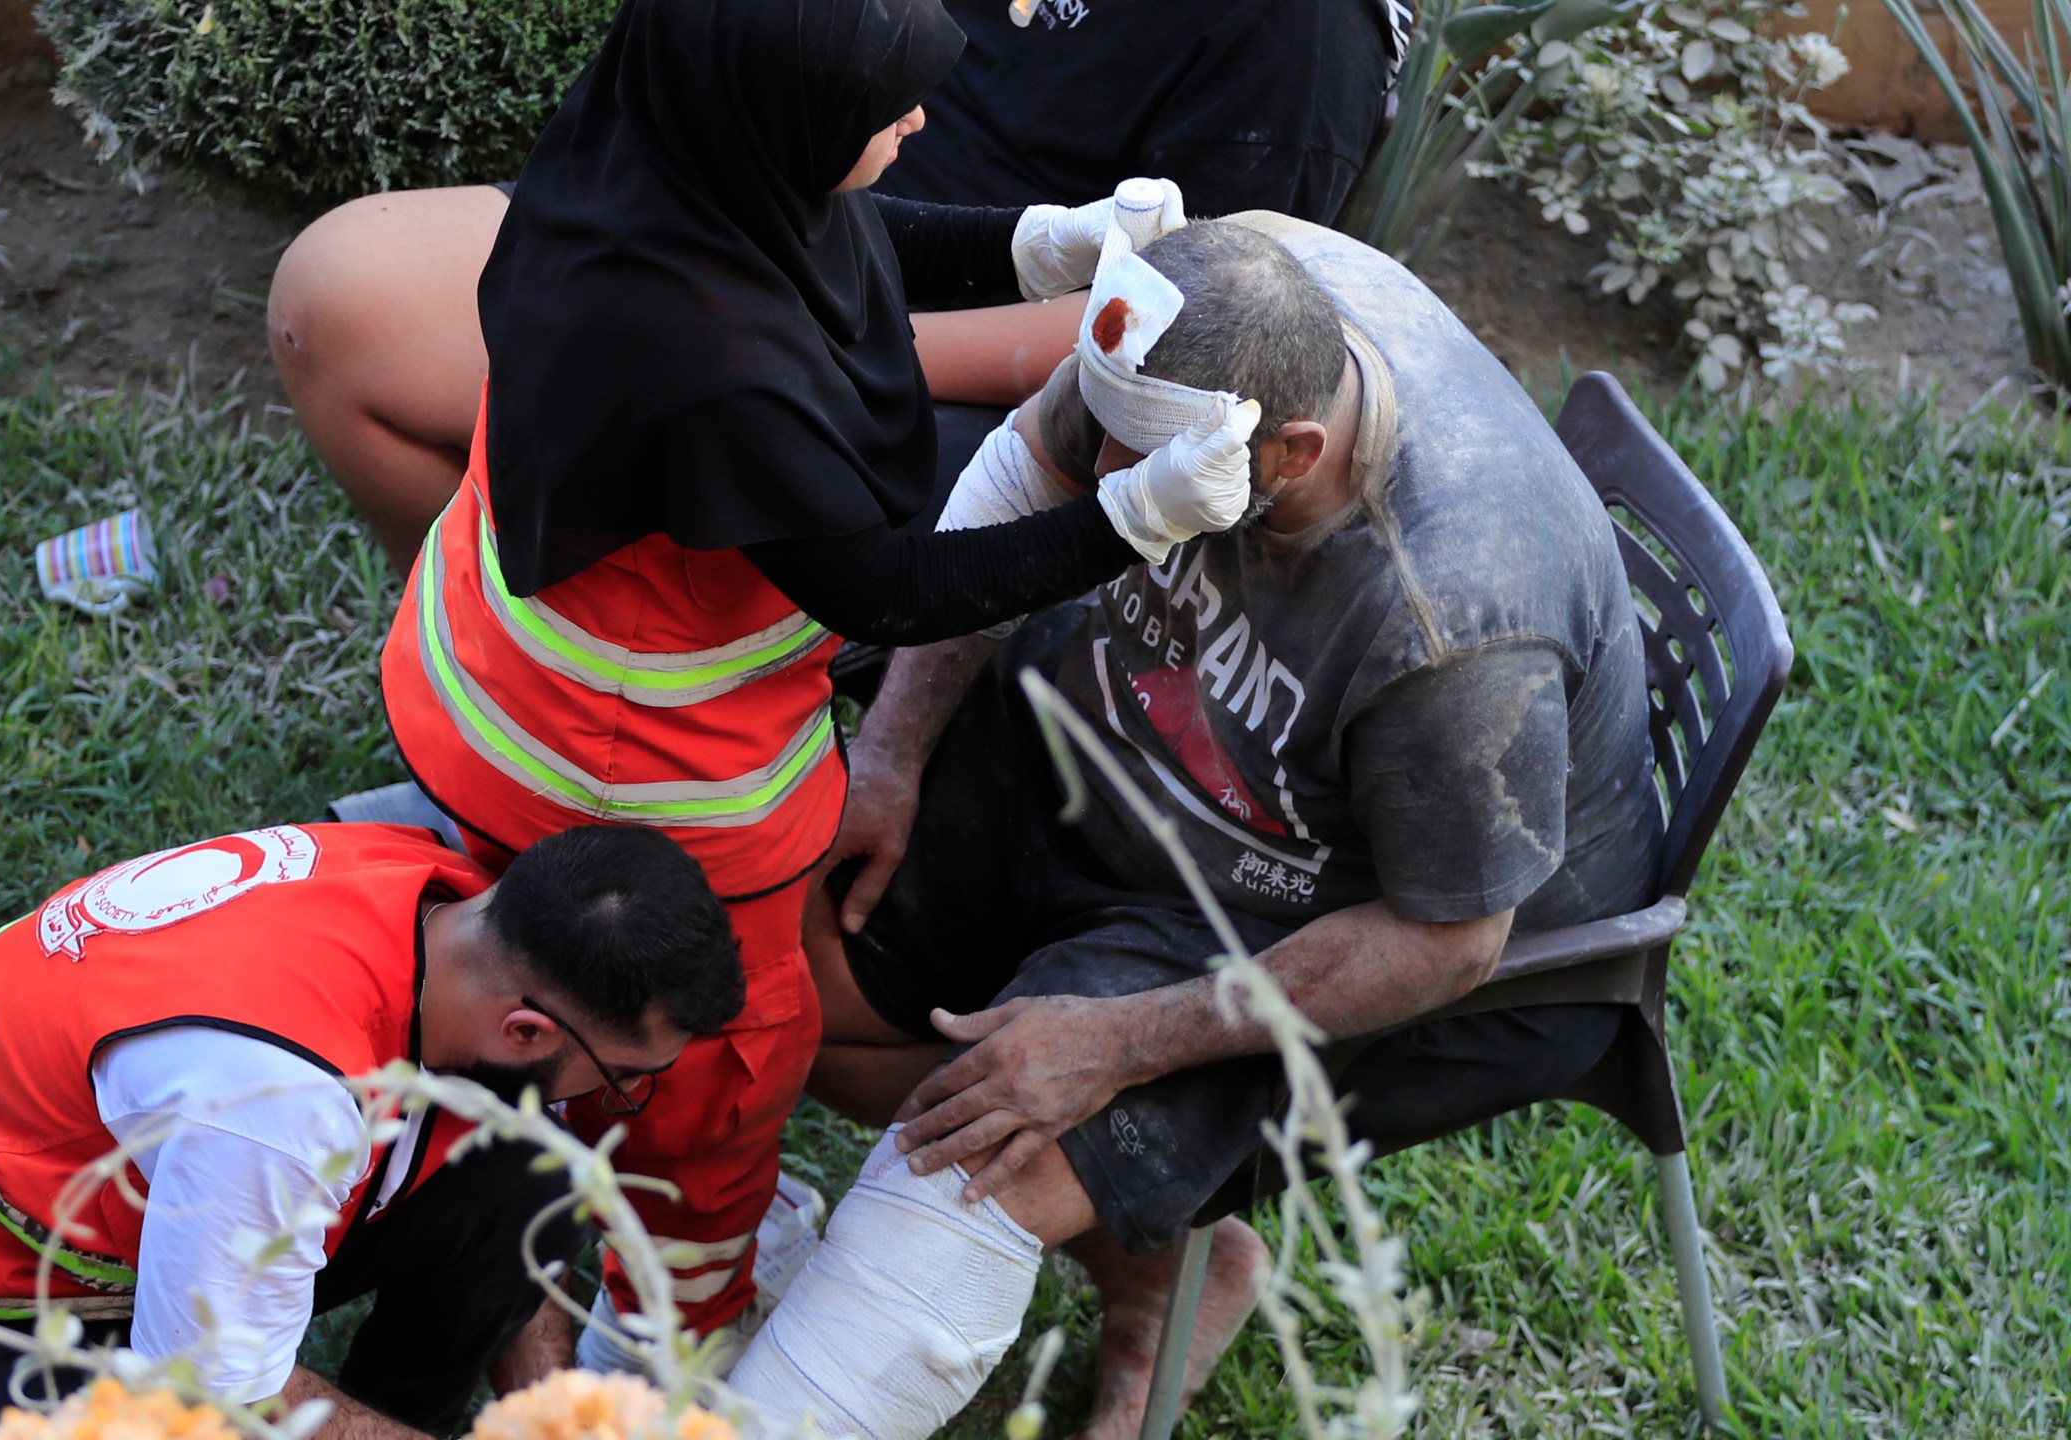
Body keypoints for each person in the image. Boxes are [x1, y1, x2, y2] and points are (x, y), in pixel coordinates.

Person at [374, 0, 1267, 1367]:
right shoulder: (719, 377)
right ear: (781, 119)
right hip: (628, 747)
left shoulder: (647, 155)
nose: (915, 124)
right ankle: (677, 1307)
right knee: (729, 1050)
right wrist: (1135, 517)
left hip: (491, 643)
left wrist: (1040, 242)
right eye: (885, 109)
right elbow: (891, 592)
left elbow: (826, 233)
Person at [728, 214, 1664, 1440]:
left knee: (973, 1165)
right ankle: (1162, 1265)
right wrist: (893, 753)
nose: (1112, 480)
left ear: (1292, 449)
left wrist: (1115, 1041)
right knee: (768, 981)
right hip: (1128, 745)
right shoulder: (1204, 308)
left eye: (1149, 467)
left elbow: (1452, 942)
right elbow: (1036, 469)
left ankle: (1092, 1247)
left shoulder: (1448, 617)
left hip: (1324, 899)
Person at [268, 0, 1409, 558]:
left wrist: (810, 340)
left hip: (945, 379)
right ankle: (529, 657)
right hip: (767, 240)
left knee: (360, 305)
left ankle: (656, 715)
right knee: (343, 295)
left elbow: (1195, 334)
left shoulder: (1302, 40)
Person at [0, 822, 745, 1439]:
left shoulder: (433, 895)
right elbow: (222, 1396)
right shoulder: (280, 1104)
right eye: (622, 1077)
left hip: (118, 1200)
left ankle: (391, 1407)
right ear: (529, 1029)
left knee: (532, 1170)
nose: (619, 1097)